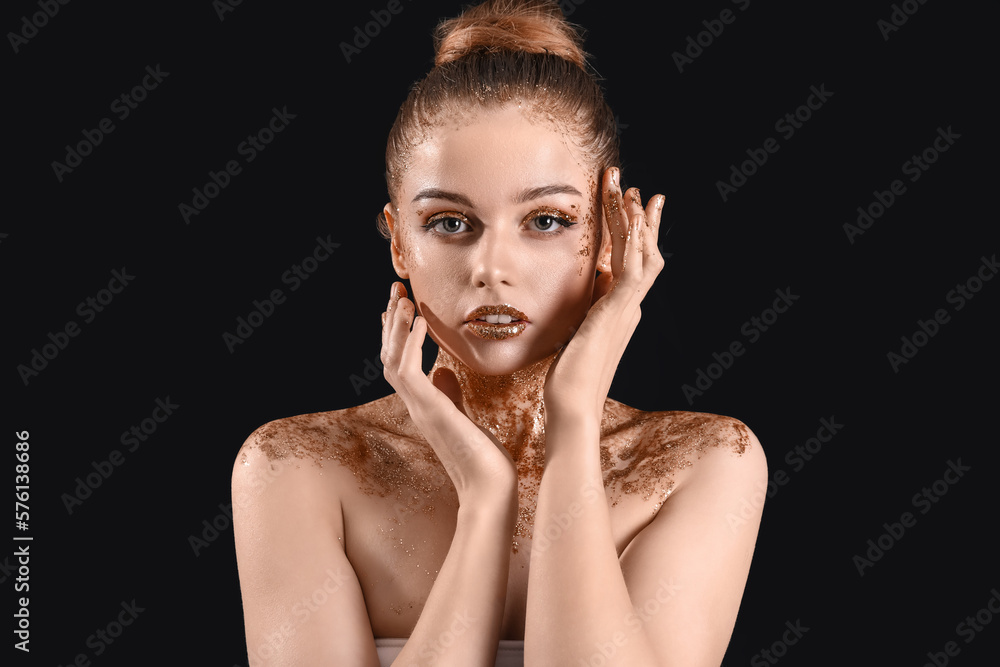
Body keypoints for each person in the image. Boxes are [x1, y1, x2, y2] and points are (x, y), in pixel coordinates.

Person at [232, 1, 767, 665]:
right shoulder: (296, 469)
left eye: (545, 221)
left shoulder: (703, 463)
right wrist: (484, 504)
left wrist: (573, 424)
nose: (492, 269)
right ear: (398, 242)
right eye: (451, 223)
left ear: (608, 235)